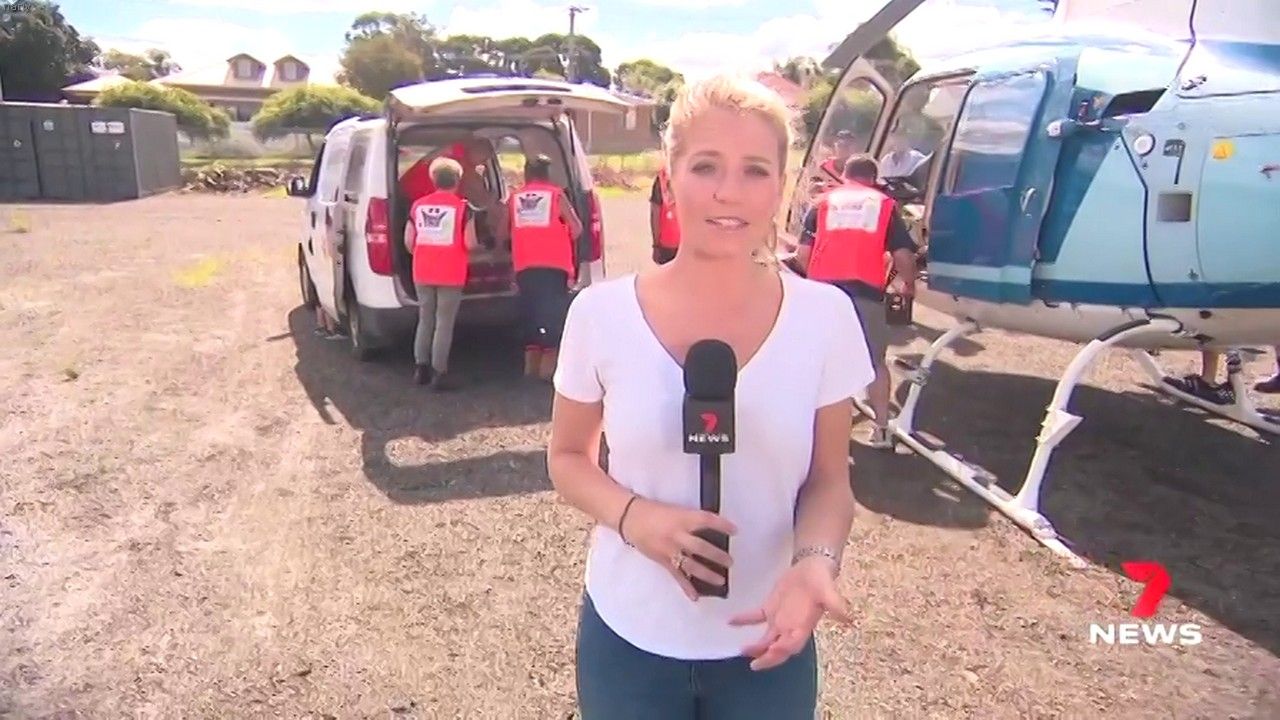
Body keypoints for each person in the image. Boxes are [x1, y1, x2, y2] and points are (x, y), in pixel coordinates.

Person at [547, 74, 875, 719]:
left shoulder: (826, 317)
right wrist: (635, 518)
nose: (729, 192)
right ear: (669, 178)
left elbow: (829, 482)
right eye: (705, 166)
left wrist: (815, 564)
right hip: (627, 640)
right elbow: (566, 458)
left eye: (755, 170)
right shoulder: (599, 314)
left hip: (768, 643)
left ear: (781, 186)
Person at [795, 154, 918, 450]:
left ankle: (815, 431)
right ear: (873, 179)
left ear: (845, 176)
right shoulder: (884, 204)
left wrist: (812, 281)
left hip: (823, 294)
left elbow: (802, 254)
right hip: (866, 293)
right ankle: (881, 428)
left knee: (820, 363)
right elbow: (903, 255)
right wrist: (908, 284)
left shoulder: (823, 202)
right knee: (874, 362)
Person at [404, 157, 478, 391]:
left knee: (425, 318)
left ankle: (421, 368)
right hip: (451, 272)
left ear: (433, 180)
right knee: (444, 322)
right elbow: (470, 242)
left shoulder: (418, 206)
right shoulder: (463, 208)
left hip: (422, 270)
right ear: (457, 180)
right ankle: (439, 372)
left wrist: (424, 252)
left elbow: (409, 241)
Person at [509, 153, 583, 380]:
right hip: (554, 265)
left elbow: (503, 231)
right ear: (547, 174)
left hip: (525, 265)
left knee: (530, 314)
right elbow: (577, 228)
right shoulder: (556, 195)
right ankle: (548, 368)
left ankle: (530, 366)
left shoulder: (515, 198)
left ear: (526, 174)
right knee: (551, 315)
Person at [650, 166, 681, 264]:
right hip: (691, 244)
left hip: (667, 244)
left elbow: (655, 213)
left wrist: (656, 245)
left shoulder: (662, 177)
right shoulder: (696, 172)